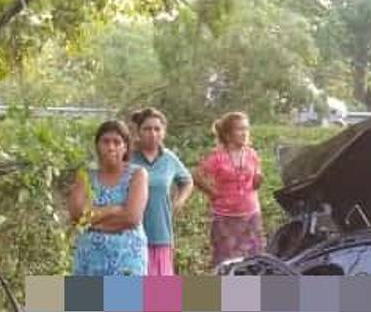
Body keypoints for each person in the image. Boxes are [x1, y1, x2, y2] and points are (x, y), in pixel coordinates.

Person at [66, 120, 149, 276]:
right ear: (97, 145)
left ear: (125, 147)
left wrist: (91, 222)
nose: (111, 147)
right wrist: (114, 210)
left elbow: (132, 218)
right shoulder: (85, 175)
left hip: (128, 260)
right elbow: (77, 216)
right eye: (105, 141)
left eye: (117, 142)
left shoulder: (137, 174)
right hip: (89, 259)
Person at [194, 112, 265, 267]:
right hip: (226, 218)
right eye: (239, 129)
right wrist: (212, 193)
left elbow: (255, 181)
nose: (244, 133)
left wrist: (258, 180)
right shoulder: (217, 157)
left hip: (251, 216)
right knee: (226, 262)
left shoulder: (252, 154)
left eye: (246, 128)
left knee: (253, 260)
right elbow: (197, 176)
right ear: (227, 134)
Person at [129, 107, 194, 275]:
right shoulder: (128, 157)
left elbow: (187, 181)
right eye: (147, 129)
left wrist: (178, 202)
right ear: (138, 132)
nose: (152, 133)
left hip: (160, 232)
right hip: (130, 234)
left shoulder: (169, 158)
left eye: (157, 129)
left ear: (164, 132)